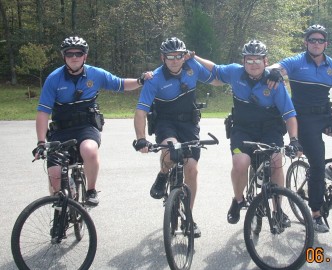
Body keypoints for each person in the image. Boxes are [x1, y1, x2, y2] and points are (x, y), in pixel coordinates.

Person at [268, 24, 332, 232]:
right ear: (306, 42)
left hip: (326, 114)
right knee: (316, 164)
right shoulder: (297, 62)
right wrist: (273, 72)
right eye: (312, 40)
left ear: (326, 43)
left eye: (320, 40)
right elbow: (276, 66)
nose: (316, 43)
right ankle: (315, 214)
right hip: (304, 120)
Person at [193, 40, 303, 225]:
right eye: (249, 60)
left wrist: (294, 140)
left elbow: (290, 115)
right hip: (242, 129)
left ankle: (278, 211)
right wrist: (192, 56)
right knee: (240, 162)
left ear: (266, 61)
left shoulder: (274, 83)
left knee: (276, 161)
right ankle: (238, 200)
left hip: (270, 129)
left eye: (257, 60)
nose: (253, 64)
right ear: (243, 61)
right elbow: (214, 68)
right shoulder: (235, 72)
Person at [34, 36, 146, 206]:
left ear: (84, 56)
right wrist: (41, 142)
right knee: (55, 177)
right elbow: (43, 112)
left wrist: (140, 81)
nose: (74, 57)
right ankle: (59, 213)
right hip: (60, 131)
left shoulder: (95, 74)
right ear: (63, 56)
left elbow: (120, 84)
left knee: (89, 150)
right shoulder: (53, 79)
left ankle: (91, 190)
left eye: (78, 53)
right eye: (69, 53)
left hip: (86, 128)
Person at [133, 37, 217, 238]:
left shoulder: (192, 67)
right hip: (166, 123)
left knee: (192, 169)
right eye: (170, 57)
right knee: (172, 151)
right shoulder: (154, 78)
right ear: (163, 57)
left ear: (184, 55)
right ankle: (163, 174)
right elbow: (140, 111)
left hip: (189, 124)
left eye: (178, 56)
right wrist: (141, 138)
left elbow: (215, 77)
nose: (174, 60)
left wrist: (198, 58)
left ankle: (188, 215)